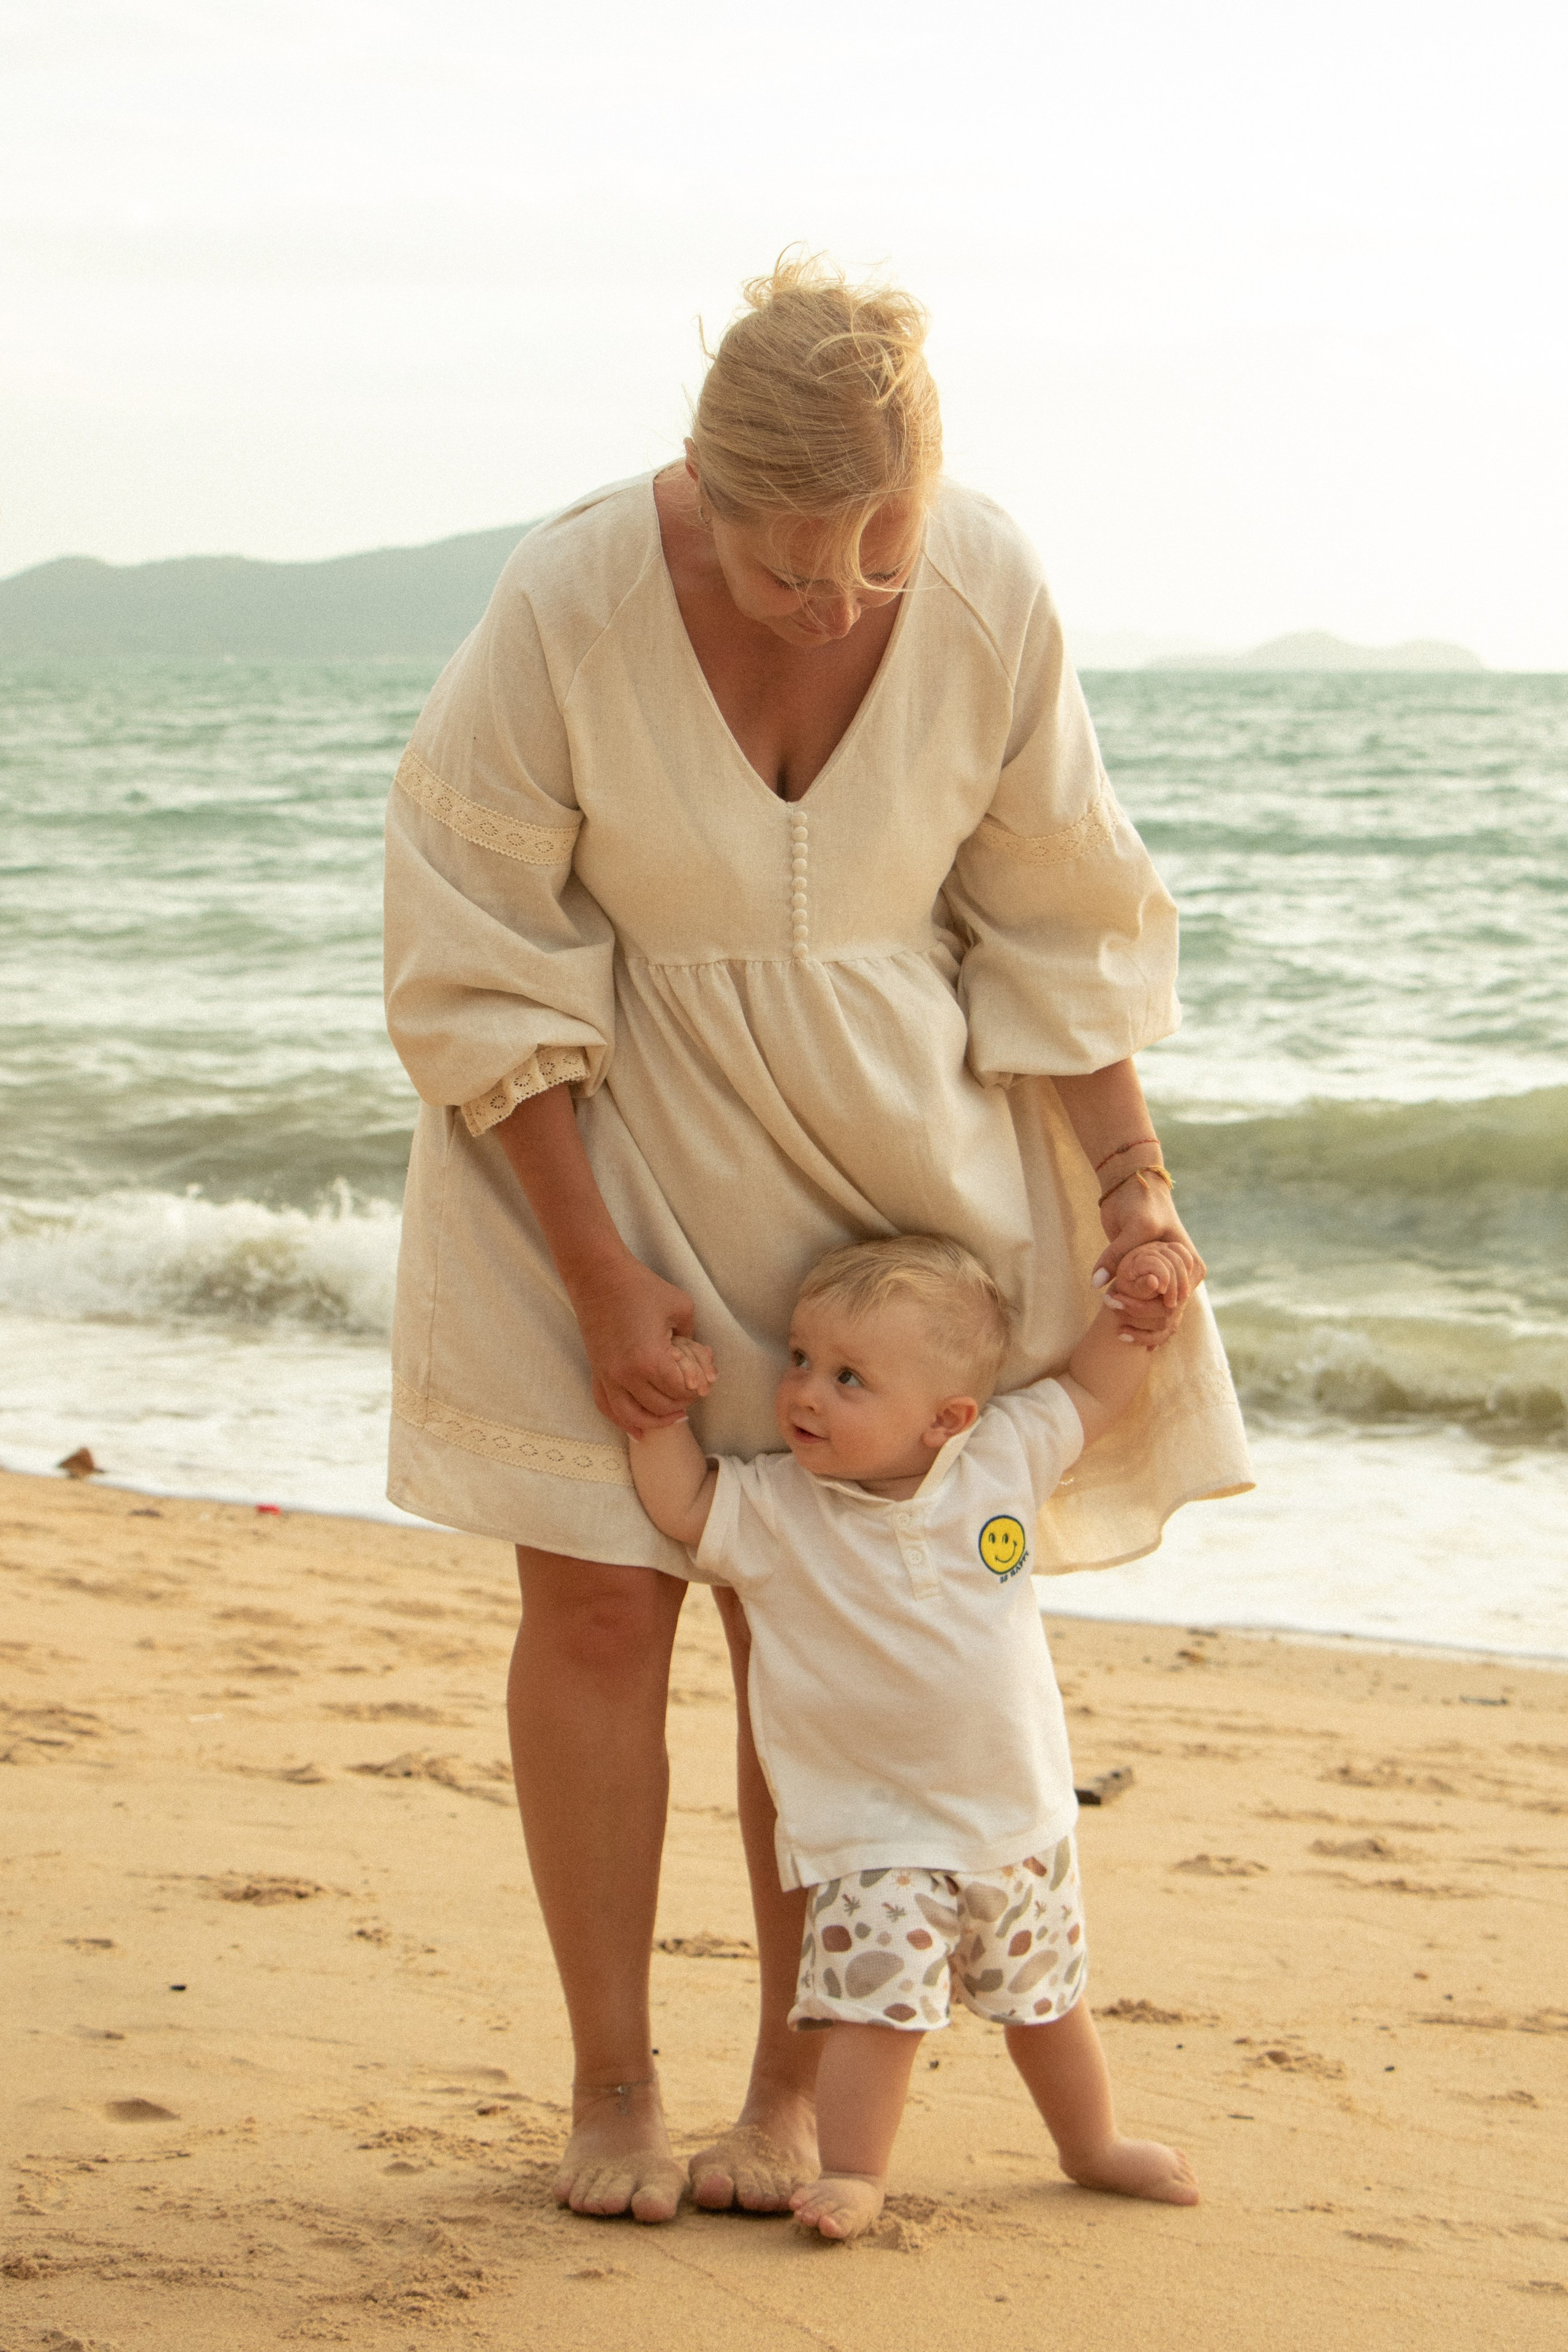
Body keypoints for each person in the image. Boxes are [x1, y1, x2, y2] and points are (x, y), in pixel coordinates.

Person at [383, 252, 1251, 2224]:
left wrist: (1134, 1190)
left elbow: (1061, 918)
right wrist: (603, 1278)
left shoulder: (992, 585)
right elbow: (478, 945)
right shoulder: (576, 593)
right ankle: (614, 2088)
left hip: (876, 1197)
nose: (845, 600)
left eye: (883, 552)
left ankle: (784, 2103)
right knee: (602, 1608)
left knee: (825, 1625)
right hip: (577, 1159)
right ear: (703, 484)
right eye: (795, 566)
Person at [627, 1232, 1200, 2239]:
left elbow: (1097, 1392)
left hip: (1016, 1820)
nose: (805, 1392)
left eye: (850, 1378)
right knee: (874, 2015)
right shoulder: (777, 1507)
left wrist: (1139, 1309)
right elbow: (681, 1503)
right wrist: (658, 1413)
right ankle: (853, 2171)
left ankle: (1091, 2145)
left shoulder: (1002, 1460)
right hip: (873, 1837)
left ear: (947, 1419)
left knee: (1050, 2006)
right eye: (801, 1359)